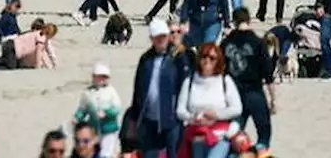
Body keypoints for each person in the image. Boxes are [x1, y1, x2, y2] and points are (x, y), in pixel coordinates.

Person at [127, 19, 190, 158]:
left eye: (164, 36)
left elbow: (186, 84)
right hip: (149, 119)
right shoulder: (145, 59)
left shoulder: (177, 57)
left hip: (171, 119)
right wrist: (133, 119)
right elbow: (138, 90)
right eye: (158, 37)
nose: (161, 40)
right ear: (152, 38)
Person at [219, 8, 275, 151]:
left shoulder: (226, 43)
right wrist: (273, 99)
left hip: (233, 94)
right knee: (263, 134)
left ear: (234, 21)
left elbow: (219, 71)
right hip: (254, 92)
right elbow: (268, 74)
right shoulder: (258, 42)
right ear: (249, 20)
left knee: (234, 136)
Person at [176, 42, 242, 158]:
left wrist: (216, 115)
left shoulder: (225, 81)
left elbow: (237, 108)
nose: (207, 61)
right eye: (204, 56)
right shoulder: (189, 81)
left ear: (218, 60)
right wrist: (192, 118)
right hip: (197, 134)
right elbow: (180, 110)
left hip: (221, 134)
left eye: (212, 58)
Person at [73, 63, 121, 157]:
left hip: (108, 128)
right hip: (93, 128)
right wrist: (77, 117)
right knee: (93, 151)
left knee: (106, 153)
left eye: (103, 77)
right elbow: (83, 108)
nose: (100, 79)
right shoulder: (88, 93)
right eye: (98, 77)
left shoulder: (111, 91)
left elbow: (117, 108)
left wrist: (107, 113)